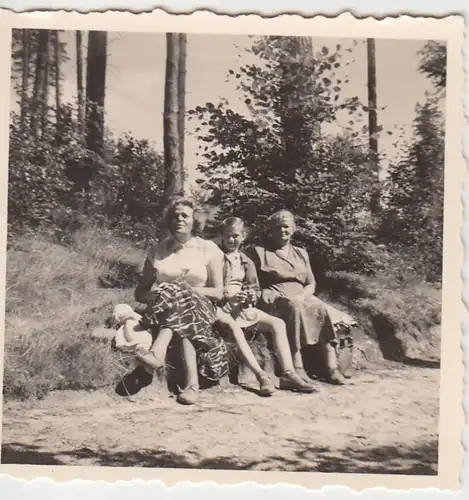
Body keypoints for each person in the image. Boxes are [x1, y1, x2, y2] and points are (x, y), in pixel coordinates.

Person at [117, 197, 231, 405]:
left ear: (194, 221)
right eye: (175, 215)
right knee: (177, 302)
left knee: (179, 293)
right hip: (164, 307)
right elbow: (140, 292)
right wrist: (155, 295)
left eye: (185, 215)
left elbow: (218, 292)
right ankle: (191, 386)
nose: (179, 219)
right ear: (169, 221)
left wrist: (188, 289)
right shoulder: (157, 251)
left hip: (203, 307)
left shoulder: (208, 249)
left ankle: (155, 355)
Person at [249, 209, 357, 386]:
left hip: (301, 294)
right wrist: (269, 296)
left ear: (293, 229)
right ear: (270, 230)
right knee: (294, 306)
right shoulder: (260, 252)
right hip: (274, 295)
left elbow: (311, 284)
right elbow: (254, 282)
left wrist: (302, 295)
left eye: (286, 226)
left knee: (320, 306)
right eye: (277, 227)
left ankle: (331, 367)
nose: (282, 230)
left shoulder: (301, 253)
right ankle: (297, 367)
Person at [217, 217, 317, 395]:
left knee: (278, 323)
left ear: (243, 236)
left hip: (242, 308)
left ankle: (288, 373)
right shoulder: (215, 257)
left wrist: (250, 295)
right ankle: (261, 375)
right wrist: (228, 296)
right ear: (221, 237)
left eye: (236, 236)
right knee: (235, 329)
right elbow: (211, 285)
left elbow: (254, 288)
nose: (232, 240)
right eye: (227, 237)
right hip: (221, 308)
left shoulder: (246, 261)